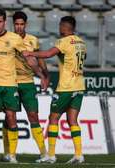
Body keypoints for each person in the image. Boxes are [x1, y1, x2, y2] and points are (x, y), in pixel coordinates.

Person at [0, 8, 48, 163]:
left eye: (0, 21)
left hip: (11, 84)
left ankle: (14, 155)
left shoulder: (15, 39)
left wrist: (42, 75)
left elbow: (29, 58)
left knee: (11, 117)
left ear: (5, 21)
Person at [23, 16, 86, 164]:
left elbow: (47, 54)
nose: (59, 28)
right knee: (72, 120)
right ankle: (78, 154)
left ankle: (51, 155)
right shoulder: (82, 43)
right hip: (79, 86)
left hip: (66, 87)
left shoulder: (63, 41)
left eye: (60, 25)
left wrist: (30, 53)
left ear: (65, 26)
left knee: (53, 118)